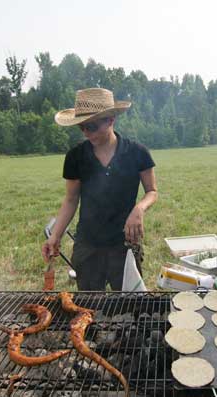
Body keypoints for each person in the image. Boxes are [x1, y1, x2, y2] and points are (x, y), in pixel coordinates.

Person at [42, 88, 158, 291]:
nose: (87, 133)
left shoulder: (137, 152)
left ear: (111, 119)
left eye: (92, 126)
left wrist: (139, 208)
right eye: (82, 128)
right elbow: (71, 199)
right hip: (88, 245)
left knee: (131, 307)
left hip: (124, 244)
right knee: (89, 307)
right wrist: (55, 236)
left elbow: (152, 191)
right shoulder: (75, 157)